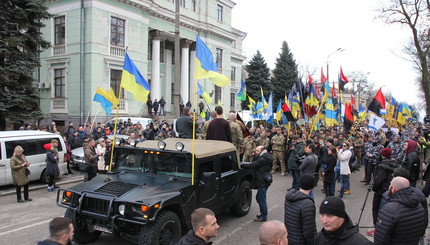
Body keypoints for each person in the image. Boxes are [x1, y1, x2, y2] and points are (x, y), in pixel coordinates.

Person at [374, 177, 427, 245]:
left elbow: (381, 239)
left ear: (394, 189)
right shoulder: (419, 207)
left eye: (390, 185)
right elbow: (422, 230)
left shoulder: (389, 209)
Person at [366, 147, 397, 236]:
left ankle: (377, 228)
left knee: (376, 209)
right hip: (390, 189)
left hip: (381, 191)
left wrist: (374, 188)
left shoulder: (382, 165)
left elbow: (379, 179)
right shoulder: (394, 163)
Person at [240, 146, 273, 222]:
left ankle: (263, 216)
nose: (255, 152)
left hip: (262, 181)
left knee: (261, 199)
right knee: (259, 198)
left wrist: (241, 164)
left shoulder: (262, 159)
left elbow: (253, 165)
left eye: (257, 151)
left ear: (262, 151)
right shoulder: (265, 156)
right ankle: (263, 214)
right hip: (264, 180)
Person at [284, 174, 316, 244]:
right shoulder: (307, 204)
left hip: (289, 238)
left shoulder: (289, 197)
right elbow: (309, 231)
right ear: (312, 187)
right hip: (300, 241)